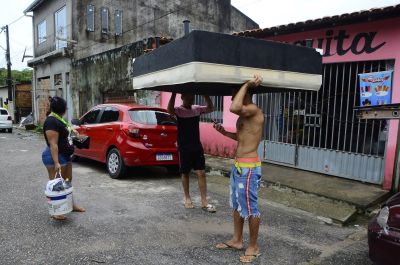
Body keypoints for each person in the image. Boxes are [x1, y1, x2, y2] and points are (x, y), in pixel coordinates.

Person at [213, 75, 264, 263]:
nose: (233, 97)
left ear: (246, 94)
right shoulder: (246, 114)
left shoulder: (253, 110)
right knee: (237, 205)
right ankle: (237, 240)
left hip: (249, 168)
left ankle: (254, 246)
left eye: (236, 94)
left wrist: (247, 84)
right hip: (239, 167)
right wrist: (224, 133)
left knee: (250, 208)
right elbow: (243, 136)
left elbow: (233, 107)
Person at [167, 92, 216, 213]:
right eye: (188, 97)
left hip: (196, 146)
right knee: (185, 173)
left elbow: (211, 108)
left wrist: (205, 94)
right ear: (182, 97)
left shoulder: (197, 109)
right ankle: (187, 198)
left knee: (202, 172)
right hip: (184, 146)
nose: (190, 99)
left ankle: (204, 201)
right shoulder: (178, 110)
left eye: (192, 97)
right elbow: (169, 110)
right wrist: (173, 93)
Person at [42, 96, 85, 220]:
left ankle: (71, 205)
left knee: (67, 181)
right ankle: (56, 211)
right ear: (62, 109)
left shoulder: (58, 119)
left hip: (65, 156)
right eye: (65, 107)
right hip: (55, 157)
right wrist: (56, 162)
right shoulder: (51, 121)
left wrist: (74, 132)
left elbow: (64, 133)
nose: (66, 109)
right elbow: (53, 144)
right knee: (57, 185)